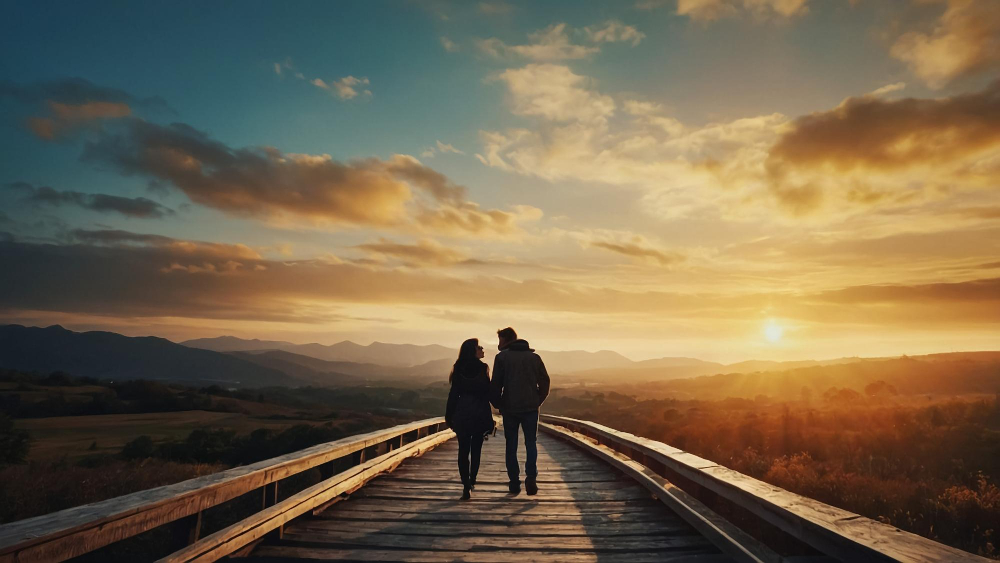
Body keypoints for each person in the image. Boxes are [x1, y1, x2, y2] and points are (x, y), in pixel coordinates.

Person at [490, 327, 550, 495]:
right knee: (531, 443)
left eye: (500, 340)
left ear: (506, 340)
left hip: (510, 407)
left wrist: (498, 404)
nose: (498, 344)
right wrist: (538, 400)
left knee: (511, 445)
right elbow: (545, 381)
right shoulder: (534, 358)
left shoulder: (502, 358)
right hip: (531, 407)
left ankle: (514, 482)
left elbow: (496, 384)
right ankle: (531, 477)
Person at [445, 338, 494, 500]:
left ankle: (465, 485)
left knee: (463, 450)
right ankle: (472, 480)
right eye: (479, 347)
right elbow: (488, 393)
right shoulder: (483, 368)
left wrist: (449, 415)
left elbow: (453, 395)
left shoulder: (458, 368)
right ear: (473, 350)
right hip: (479, 411)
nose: (482, 349)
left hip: (462, 412)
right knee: (476, 449)